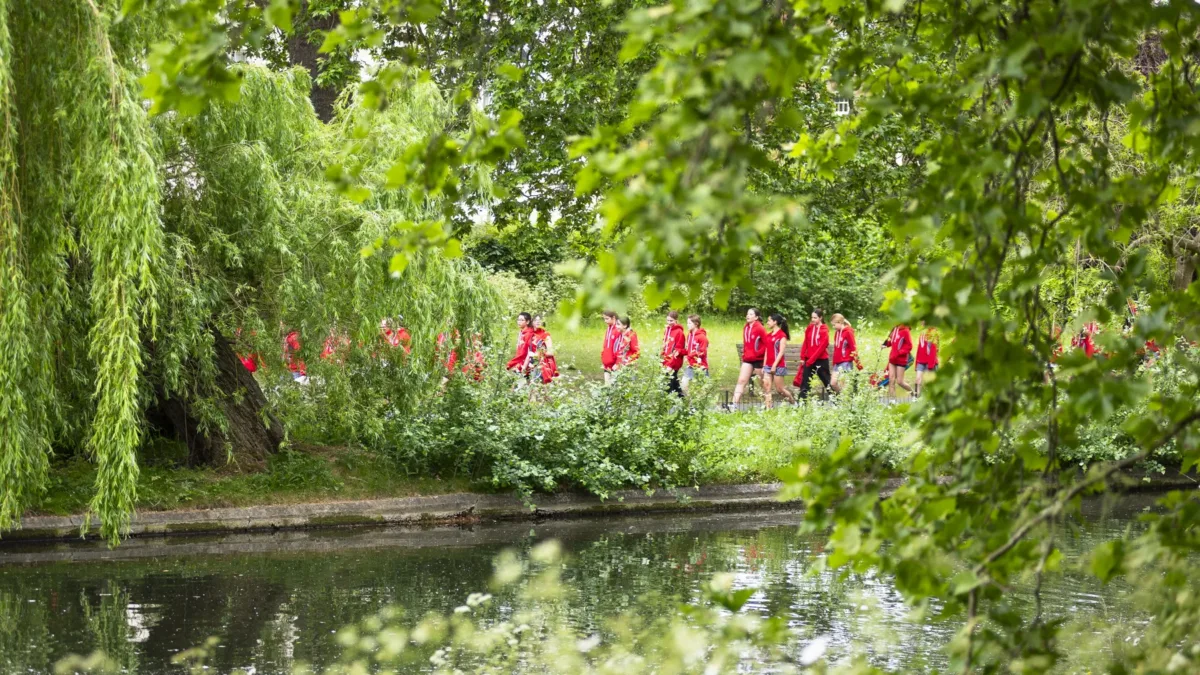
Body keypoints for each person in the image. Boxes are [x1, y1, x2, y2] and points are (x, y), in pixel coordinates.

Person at [732, 308, 767, 406]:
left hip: (758, 359)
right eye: (747, 314)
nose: (748, 316)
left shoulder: (760, 328)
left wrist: (758, 353)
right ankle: (733, 405)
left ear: (756, 317)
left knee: (762, 383)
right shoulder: (746, 327)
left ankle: (768, 405)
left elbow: (767, 344)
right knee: (741, 381)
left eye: (751, 314)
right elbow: (746, 343)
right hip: (748, 359)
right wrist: (745, 354)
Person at [796, 309, 831, 400]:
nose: (813, 319)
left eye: (815, 318)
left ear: (820, 318)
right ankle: (802, 403)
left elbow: (822, 347)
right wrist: (802, 357)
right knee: (805, 383)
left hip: (821, 360)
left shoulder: (824, 330)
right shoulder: (810, 328)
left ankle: (837, 402)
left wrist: (811, 359)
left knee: (827, 381)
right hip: (809, 360)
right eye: (812, 317)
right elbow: (806, 342)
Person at [763, 313, 796, 408]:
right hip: (768, 365)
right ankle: (768, 409)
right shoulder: (768, 335)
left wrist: (774, 365)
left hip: (778, 366)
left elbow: (781, 352)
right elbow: (767, 351)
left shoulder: (782, 335)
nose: (767, 322)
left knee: (780, 390)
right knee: (767, 388)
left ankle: (793, 402)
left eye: (769, 320)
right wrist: (764, 365)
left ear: (775, 322)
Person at [829, 313, 858, 394]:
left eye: (834, 325)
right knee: (833, 383)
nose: (833, 327)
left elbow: (853, 347)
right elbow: (836, 349)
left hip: (846, 362)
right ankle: (841, 398)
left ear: (839, 322)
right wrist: (834, 362)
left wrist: (858, 363)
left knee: (843, 385)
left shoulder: (848, 332)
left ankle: (845, 399)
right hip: (837, 362)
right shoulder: (837, 333)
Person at [884, 323, 913, 402]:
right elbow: (893, 342)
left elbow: (909, 346)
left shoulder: (906, 331)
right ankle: (892, 401)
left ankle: (913, 394)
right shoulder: (895, 329)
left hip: (901, 360)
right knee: (891, 380)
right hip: (892, 359)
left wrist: (899, 353)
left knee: (900, 382)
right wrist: (885, 344)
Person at [661, 310, 687, 396]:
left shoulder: (679, 332)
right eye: (667, 320)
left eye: (671, 320)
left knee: (669, 383)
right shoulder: (667, 330)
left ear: (676, 320)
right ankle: (681, 398)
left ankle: (670, 400)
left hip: (674, 362)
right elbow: (665, 345)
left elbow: (678, 350)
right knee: (674, 382)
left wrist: (671, 365)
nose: (669, 322)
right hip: (666, 360)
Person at [682, 314, 709, 395]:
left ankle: (699, 402)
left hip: (701, 366)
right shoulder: (689, 335)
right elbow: (688, 349)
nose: (687, 325)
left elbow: (702, 352)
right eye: (687, 323)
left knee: (702, 390)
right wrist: (680, 352)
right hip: (691, 365)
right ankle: (690, 401)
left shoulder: (702, 337)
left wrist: (690, 355)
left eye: (689, 323)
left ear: (696, 324)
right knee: (684, 383)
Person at [506, 312, 535, 377]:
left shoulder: (528, 334)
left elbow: (524, 353)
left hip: (527, 364)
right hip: (521, 363)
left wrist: (510, 364)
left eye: (522, 320)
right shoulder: (522, 332)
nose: (519, 322)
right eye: (518, 320)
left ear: (527, 322)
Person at [532, 315, 559, 384]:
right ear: (532, 322)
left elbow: (551, 352)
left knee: (542, 385)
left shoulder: (545, 335)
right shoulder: (531, 335)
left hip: (543, 364)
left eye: (539, 320)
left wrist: (540, 353)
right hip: (531, 363)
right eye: (535, 320)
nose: (538, 321)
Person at [914, 326, 939, 397]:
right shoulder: (922, 332)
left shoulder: (934, 333)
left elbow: (935, 350)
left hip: (930, 362)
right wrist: (917, 362)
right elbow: (919, 348)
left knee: (929, 382)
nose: (922, 322)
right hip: (921, 361)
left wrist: (931, 364)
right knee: (918, 379)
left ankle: (932, 397)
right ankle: (917, 397)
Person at [601, 310, 620, 384]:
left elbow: (619, 348)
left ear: (613, 318)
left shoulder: (618, 330)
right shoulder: (608, 329)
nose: (605, 321)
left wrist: (617, 363)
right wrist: (603, 359)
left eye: (607, 319)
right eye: (604, 319)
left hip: (614, 364)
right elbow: (605, 345)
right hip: (607, 363)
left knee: (614, 385)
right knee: (607, 385)